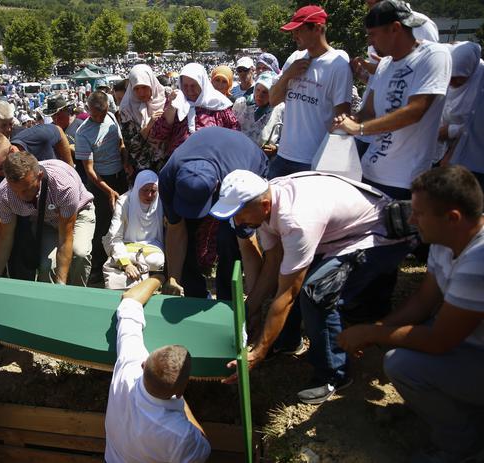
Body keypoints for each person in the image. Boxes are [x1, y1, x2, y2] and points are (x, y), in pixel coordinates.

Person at [214, 170, 410, 404]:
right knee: (297, 277)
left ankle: (334, 374)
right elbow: (273, 264)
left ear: (264, 205)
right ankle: (285, 341)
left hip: (378, 237)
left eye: (239, 214)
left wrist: (258, 352)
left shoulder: (295, 219)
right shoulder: (267, 204)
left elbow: (288, 293)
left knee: (316, 294)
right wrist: (249, 312)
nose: (237, 222)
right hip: (338, 236)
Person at [338, 165, 484, 463]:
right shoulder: (448, 240)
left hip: (473, 348)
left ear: (452, 217)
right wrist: (380, 328)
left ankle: (461, 447)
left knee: (403, 364)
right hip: (470, 343)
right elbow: (423, 300)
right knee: (401, 344)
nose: (411, 219)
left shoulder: (477, 263)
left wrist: (371, 333)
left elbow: (438, 341)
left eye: (419, 213)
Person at [332, 0, 451, 199]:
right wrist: (348, 121)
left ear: (395, 28)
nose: (370, 42)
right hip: (368, 172)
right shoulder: (385, 64)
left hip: (404, 181)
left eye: (373, 34)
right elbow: (368, 111)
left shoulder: (434, 55)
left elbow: (415, 111)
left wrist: (359, 129)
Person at [105, 275, 210, 462]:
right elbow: (204, 448)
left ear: (144, 364)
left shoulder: (129, 368)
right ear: (180, 392)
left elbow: (130, 299)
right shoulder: (182, 435)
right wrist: (180, 402)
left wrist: (159, 277)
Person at [158, 127, 267, 301]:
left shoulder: (237, 183)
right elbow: (175, 229)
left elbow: (247, 245)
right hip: (214, 157)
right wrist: (173, 278)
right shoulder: (168, 177)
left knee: (229, 239)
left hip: (246, 162)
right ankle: (194, 295)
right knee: (187, 232)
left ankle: (228, 299)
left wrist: (256, 304)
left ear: (216, 186)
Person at [268, 5, 353, 178]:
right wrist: (287, 76)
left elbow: (342, 118)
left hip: (313, 161)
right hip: (283, 155)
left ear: (317, 28)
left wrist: (331, 164)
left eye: (298, 30)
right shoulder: (295, 58)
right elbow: (272, 100)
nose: (294, 36)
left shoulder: (339, 65)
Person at [0, 152, 95, 286]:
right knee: (46, 266)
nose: (21, 196)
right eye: (15, 191)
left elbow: (65, 238)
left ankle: (76, 296)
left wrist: (61, 286)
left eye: (26, 189)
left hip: (78, 213)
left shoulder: (63, 186)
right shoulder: (4, 194)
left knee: (79, 254)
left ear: (39, 176)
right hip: (46, 221)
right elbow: (6, 237)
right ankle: (49, 302)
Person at [76, 91, 130, 280]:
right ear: (88, 110)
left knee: (123, 220)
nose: (99, 118)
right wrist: (108, 190)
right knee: (102, 225)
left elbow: (120, 142)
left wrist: (125, 161)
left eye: (102, 113)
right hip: (100, 183)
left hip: (120, 177)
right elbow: (89, 170)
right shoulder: (83, 133)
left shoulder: (110, 118)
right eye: (95, 115)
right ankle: (97, 267)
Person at [150, 63, 239, 156]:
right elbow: (158, 134)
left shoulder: (219, 105)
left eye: (193, 86)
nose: (189, 90)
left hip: (212, 161)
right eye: (185, 86)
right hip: (179, 162)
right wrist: (171, 109)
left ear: (202, 84)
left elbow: (234, 134)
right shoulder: (176, 102)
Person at [102, 170, 165, 290]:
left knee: (156, 261)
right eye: (145, 190)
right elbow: (114, 237)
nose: (150, 195)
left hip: (152, 248)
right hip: (127, 246)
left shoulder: (161, 202)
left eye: (153, 191)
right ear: (137, 188)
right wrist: (126, 263)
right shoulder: (124, 201)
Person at [435, 42, 483, 163]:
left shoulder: (480, 82)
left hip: (469, 150)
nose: (451, 81)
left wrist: (452, 131)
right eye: (449, 76)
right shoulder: (444, 67)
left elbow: (479, 124)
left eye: (458, 77)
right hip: (438, 144)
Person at [119, 64, 168, 173]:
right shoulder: (126, 109)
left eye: (145, 87)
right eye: (136, 89)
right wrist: (148, 125)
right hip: (144, 168)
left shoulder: (166, 98)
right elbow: (131, 146)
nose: (141, 93)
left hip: (167, 162)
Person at [232, 71, 284, 158]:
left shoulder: (280, 109)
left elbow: (286, 138)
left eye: (265, 92)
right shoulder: (242, 104)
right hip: (239, 156)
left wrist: (276, 148)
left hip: (265, 160)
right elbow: (230, 128)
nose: (259, 95)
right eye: (257, 90)